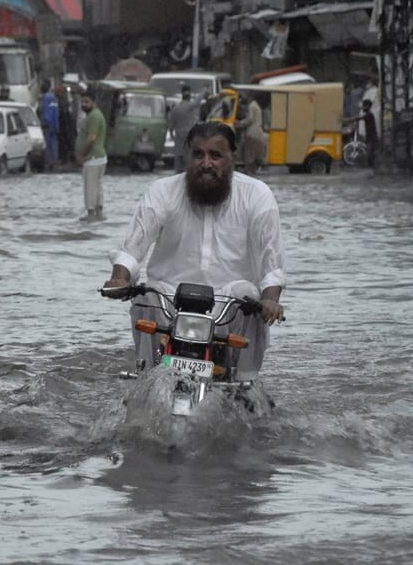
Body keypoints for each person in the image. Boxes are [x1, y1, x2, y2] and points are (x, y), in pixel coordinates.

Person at [101, 122, 286, 380]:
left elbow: (271, 264)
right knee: (145, 296)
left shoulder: (258, 196)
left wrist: (270, 300)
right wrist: (120, 279)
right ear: (189, 156)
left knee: (249, 296)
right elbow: (133, 246)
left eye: (216, 155)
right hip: (170, 300)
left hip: (228, 305)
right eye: (199, 154)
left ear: (233, 156)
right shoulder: (162, 191)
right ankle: (146, 379)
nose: (206, 163)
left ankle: (245, 384)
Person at [75, 91, 108, 222]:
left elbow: (92, 138)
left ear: (94, 102)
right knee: (98, 185)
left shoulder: (94, 116)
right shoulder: (95, 115)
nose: (84, 104)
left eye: (87, 102)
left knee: (90, 187)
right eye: (82, 102)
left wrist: (82, 155)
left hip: (92, 158)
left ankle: (90, 213)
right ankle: (99, 213)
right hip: (99, 157)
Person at [166, 84, 202, 173]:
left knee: (178, 159)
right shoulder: (191, 106)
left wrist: (171, 134)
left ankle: (178, 175)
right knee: (189, 159)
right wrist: (205, 89)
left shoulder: (176, 108)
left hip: (179, 137)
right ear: (189, 95)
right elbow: (198, 100)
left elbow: (171, 125)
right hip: (191, 137)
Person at [234, 94, 266, 174]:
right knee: (256, 153)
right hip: (259, 132)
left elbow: (250, 119)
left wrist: (239, 123)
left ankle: (249, 172)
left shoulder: (251, 106)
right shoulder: (257, 106)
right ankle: (254, 170)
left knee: (249, 154)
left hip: (251, 132)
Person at [39, 80, 60, 171]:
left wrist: (44, 122)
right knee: (53, 145)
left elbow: (46, 112)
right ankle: (54, 163)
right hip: (54, 125)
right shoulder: (54, 98)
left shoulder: (46, 98)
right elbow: (55, 112)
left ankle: (49, 163)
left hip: (47, 125)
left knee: (47, 145)